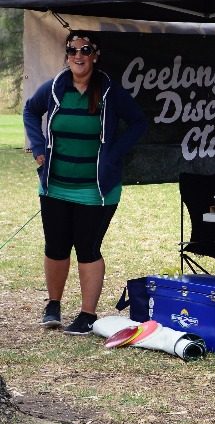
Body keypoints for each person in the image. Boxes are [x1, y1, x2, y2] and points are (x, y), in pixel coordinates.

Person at [24, 31, 147, 335]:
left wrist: (113, 154)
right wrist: (38, 149)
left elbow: (139, 123)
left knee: (88, 248)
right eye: (72, 51)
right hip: (55, 185)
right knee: (55, 247)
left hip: (96, 190)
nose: (78, 56)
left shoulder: (109, 91)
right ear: (66, 56)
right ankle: (53, 304)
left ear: (95, 55)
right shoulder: (54, 87)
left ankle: (87, 315)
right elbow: (30, 110)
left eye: (85, 50)